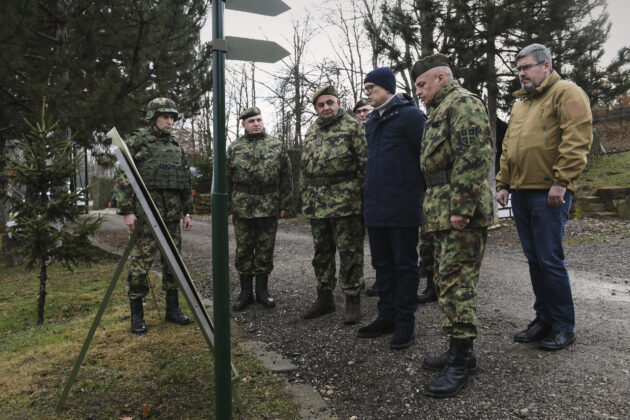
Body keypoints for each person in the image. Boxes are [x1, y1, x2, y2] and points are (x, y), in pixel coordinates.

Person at [496, 43, 592, 351]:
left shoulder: (566, 92)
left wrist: (561, 182)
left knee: (550, 259)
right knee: (535, 259)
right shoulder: (521, 103)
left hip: (550, 192)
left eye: (526, 67)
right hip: (522, 192)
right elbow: (509, 145)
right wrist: (503, 183)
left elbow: (577, 138)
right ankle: (544, 319)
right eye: (519, 68)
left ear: (546, 66)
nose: (521, 73)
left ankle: (564, 326)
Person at [412, 53, 493, 397]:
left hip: (459, 211)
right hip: (441, 208)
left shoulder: (463, 104)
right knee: (446, 281)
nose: (418, 91)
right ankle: (458, 351)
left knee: (457, 283)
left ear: (440, 79)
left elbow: (473, 158)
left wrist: (461, 207)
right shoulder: (439, 110)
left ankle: (462, 361)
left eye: (421, 84)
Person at [356, 67, 427, 350]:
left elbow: (426, 156)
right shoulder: (372, 121)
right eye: (366, 89)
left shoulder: (410, 115)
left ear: (388, 88)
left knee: (405, 266)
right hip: (375, 206)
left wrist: (416, 193)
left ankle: (404, 322)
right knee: (382, 265)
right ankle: (385, 316)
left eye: (371, 88)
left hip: (403, 206)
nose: (367, 93)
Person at [114, 97, 193, 335]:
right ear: (153, 117)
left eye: (172, 117)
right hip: (146, 214)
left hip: (171, 215)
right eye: (165, 117)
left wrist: (187, 211)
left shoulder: (176, 146)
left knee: (173, 264)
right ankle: (137, 315)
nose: (170, 121)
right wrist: (127, 211)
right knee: (141, 264)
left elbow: (184, 181)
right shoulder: (137, 142)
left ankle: (172, 309)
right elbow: (122, 175)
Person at [301, 85, 367, 325]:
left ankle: (352, 300)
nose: (326, 107)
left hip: (346, 203)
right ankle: (325, 297)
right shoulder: (312, 130)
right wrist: (305, 199)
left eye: (330, 102)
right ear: (316, 109)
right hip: (317, 204)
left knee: (350, 252)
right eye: (321, 104)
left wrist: (361, 200)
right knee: (322, 253)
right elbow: (305, 169)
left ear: (339, 103)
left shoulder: (353, 127)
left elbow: (365, 166)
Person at [227, 107, 293, 311]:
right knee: (244, 249)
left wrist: (286, 204)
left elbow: (286, 177)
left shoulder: (276, 145)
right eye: (251, 121)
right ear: (243, 125)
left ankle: (263, 291)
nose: (256, 123)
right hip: (242, 206)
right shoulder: (234, 148)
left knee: (265, 249)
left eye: (258, 119)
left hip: (268, 204)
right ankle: (246, 292)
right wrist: (228, 206)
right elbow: (226, 179)